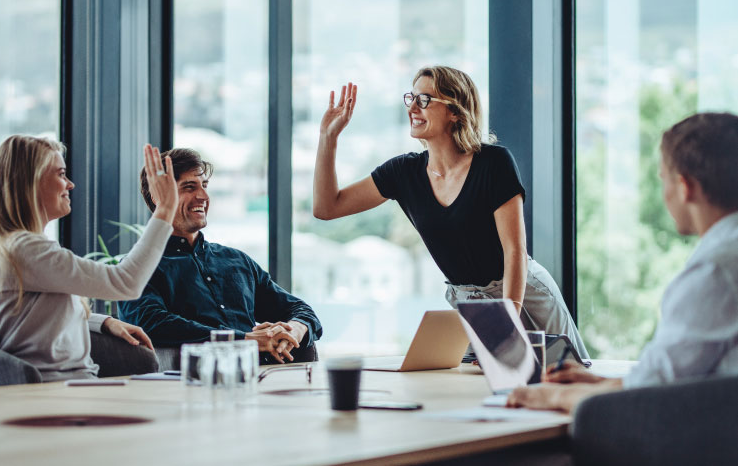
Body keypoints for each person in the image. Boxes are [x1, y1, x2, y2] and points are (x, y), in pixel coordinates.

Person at [314, 66, 588, 358]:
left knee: (569, 375)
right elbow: (326, 207)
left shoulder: (494, 163)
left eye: (425, 100)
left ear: (455, 112)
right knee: (481, 390)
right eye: (412, 98)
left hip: (524, 295)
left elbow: (514, 252)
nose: (413, 108)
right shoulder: (402, 173)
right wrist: (328, 138)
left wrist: (509, 319)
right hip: (471, 304)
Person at [508, 112, 738, 413]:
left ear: (684, 187)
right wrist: (598, 382)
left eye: (663, 180)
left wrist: (552, 397)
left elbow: (650, 394)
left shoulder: (715, 271)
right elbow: (676, 374)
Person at [0, 136, 178, 382]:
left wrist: (102, 321)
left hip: (72, 383)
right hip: (54, 389)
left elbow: (33, 315)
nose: (70, 184)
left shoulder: (15, 247)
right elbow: (126, 282)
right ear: (30, 182)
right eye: (61, 174)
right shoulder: (25, 249)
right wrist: (165, 210)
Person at [118, 148, 323, 364]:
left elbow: (299, 309)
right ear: (158, 196)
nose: (203, 197)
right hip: (192, 385)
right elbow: (151, 322)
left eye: (204, 186)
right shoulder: (138, 268)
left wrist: (295, 330)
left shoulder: (237, 261)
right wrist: (245, 340)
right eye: (189, 187)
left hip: (264, 379)